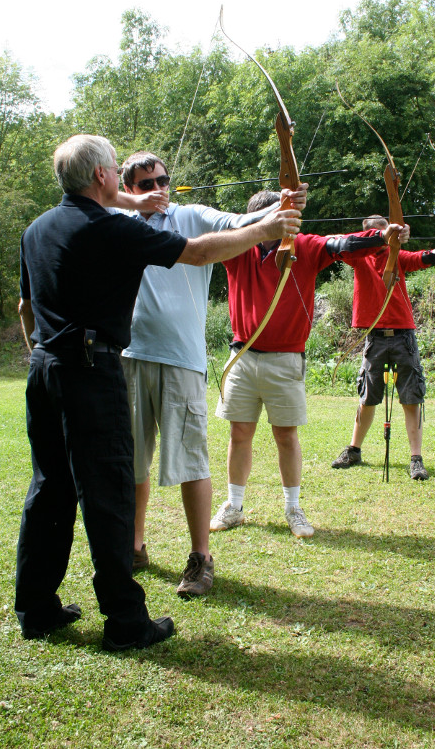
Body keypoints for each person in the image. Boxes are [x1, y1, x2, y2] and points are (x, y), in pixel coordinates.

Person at [15, 135, 301, 650]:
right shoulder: (109, 230)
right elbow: (197, 253)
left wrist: (44, 352)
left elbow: (26, 311)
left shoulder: (38, 229)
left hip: (44, 369)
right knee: (107, 493)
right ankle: (126, 622)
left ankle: (36, 608)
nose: (153, 192)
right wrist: (270, 226)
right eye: (123, 177)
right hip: (92, 368)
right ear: (105, 176)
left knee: (49, 488)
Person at [111, 151, 308, 598]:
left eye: (162, 180)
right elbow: (96, 201)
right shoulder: (117, 221)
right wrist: (132, 205)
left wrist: (286, 205)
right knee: (132, 460)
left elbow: (240, 221)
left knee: (191, 462)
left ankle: (201, 557)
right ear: (128, 189)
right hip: (130, 354)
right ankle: (134, 546)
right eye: (144, 184)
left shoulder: (192, 216)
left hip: (181, 358)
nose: (157, 189)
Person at [210, 192, 407, 537]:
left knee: (286, 436)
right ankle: (234, 506)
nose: (272, 224)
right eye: (264, 218)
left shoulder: (305, 245)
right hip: (242, 356)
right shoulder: (238, 247)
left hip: (285, 358)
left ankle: (293, 507)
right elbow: (206, 243)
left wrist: (382, 236)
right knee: (239, 433)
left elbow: (342, 244)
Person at [331, 215, 435, 479]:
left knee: (411, 397)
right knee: (367, 396)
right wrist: (382, 235)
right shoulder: (358, 258)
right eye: (383, 234)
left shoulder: (399, 257)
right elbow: (345, 244)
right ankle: (354, 450)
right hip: (375, 336)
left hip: (403, 336)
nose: (390, 239)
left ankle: (416, 459)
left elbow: (427, 256)